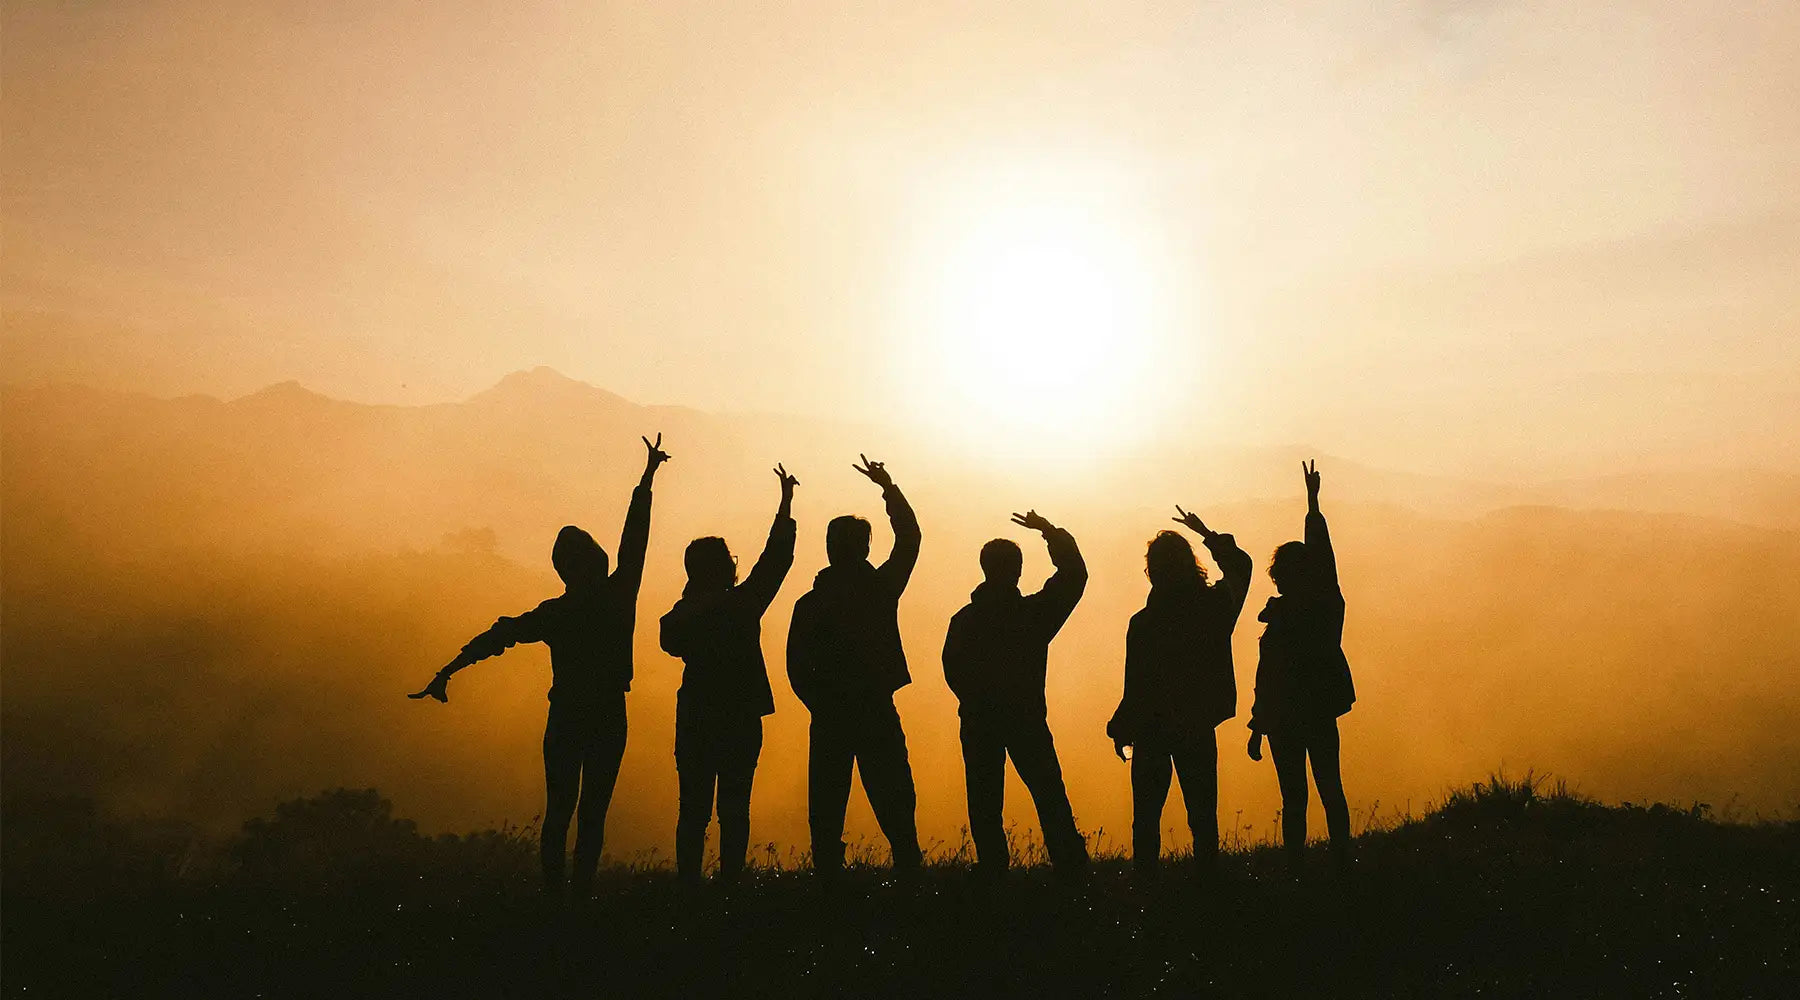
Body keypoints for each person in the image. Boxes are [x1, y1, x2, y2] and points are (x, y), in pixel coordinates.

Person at [409, 433, 670, 898]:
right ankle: (580, 896)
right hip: (608, 714)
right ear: (595, 560)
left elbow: (498, 636)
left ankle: (555, 898)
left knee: (559, 811)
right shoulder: (617, 595)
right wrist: (646, 480)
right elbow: (636, 539)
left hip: (567, 715)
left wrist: (448, 669)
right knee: (592, 813)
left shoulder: (555, 613)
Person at [659, 464, 799, 884]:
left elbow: (669, 641)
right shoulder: (742, 605)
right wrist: (786, 506)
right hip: (740, 717)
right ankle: (731, 885)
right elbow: (776, 561)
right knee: (735, 809)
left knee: (693, 810)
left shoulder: (683, 615)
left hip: (696, 717)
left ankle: (689, 886)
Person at [786, 455, 923, 874]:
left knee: (827, 804)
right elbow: (910, 539)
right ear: (864, 548)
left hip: (830, 715)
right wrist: (888, 486)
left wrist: (820, 702)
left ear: (830, 548)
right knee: (893, 797)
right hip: (873, 709)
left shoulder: (811, 604)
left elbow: (796, 668)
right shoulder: (879, 590)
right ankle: (908, 871)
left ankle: (829, 880)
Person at [942, 510, 1090, 876]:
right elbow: (1075, 575)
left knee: (984, 800)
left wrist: (976, 700)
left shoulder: (964, 620)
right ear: (1018, 570)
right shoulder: (1032, 615)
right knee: (1049, 793)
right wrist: (1049, 532)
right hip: (1026, 718)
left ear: (984, 568)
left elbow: (953, 670)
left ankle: (993, 871)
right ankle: (1071, 867)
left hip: (978, 720)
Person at [1106, 506, 1251, 876]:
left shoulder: (1143, 624)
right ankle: (1207, 887)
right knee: (1202, 815)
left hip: (1151, 731)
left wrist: (1121, 727)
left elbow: (1135, 685)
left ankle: (1146, 888)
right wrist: (1207, 533)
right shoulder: (1214, 607)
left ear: (1152, 572)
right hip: (1196, 724)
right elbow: (1241, 568)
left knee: (1146, 819)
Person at [1246, 460, 1356, 875]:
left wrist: (1259, 725)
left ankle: (1297, 868)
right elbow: (1324, 559)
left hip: (1284, 720)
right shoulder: (1326, 607)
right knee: (1330, 787)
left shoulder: (1289, 617)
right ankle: (1341, 861)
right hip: (1317, 712)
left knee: (1295, 796)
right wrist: (1312, 505)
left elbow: (1267, 680)